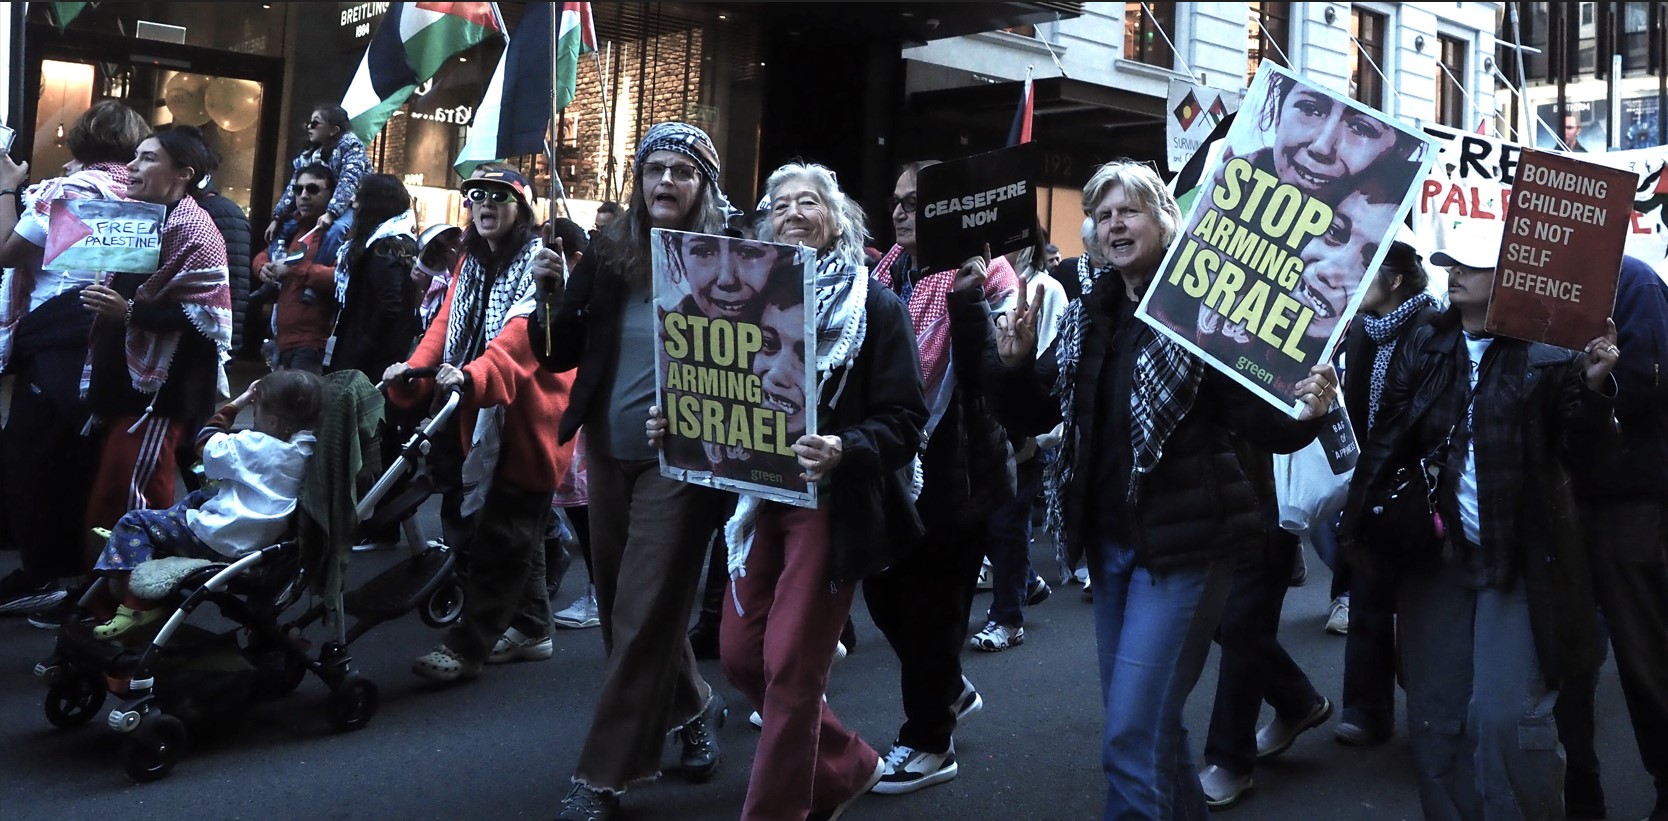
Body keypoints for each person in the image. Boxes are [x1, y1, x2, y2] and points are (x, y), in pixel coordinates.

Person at [980, 159, 1335, 819]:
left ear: (1164, 222)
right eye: (1104, 214)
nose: (1115, 224)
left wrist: (1307, 411)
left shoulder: (1203, 313)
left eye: (1129, 211)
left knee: (1129, 736)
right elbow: (1035, 416)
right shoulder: (1091, 314)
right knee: (1151, 726)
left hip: (1185, 551)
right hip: (1111, 547)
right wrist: (1013, 362)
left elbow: (1259, 420)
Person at [674, 160, 925, 821]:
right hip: (758, 505)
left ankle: (776, 809)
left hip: (832, 509)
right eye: (779, 205)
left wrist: (845, 448)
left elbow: (906, 422)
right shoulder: (736, 309)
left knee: (791, 667)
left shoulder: (876, 306)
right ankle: (846, 764)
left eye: (809, 202)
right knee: (739, 653)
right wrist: (675, 421)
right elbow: (712, 393)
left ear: (837, 220)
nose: (792, 213)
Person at [1342, 220, 1618, 819]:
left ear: (1512, 275)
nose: (1453, 272)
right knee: (1436, 719)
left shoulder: (1549, 353)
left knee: (1502, 718)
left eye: (1470, 264)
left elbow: (1589, 460)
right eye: (1450, 263)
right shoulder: (1426, 341)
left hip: (1519, 559)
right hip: (1434, 557)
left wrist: (1594, 389)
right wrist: (1356, 527)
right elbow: (1388, 440)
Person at [526, 123, 733, 821]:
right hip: (608, 454)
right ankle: (697, 706)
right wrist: (550, 297)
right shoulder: (611, 252)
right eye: (654, 171)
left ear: (703, 184)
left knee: (644, 611)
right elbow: (560, 355)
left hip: (686, 462)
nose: (666, 183)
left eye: (682, 171)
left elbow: (760, 368)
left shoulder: (731, 260)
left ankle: (603, 774)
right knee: (626, 610)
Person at [383, 165, 576, 682]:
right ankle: (533, 627)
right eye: (475, 197)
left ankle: (469, 645)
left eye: (497, 197)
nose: (484, 205)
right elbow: (445, 323)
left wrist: (475, 377)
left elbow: (521, 335)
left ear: (521, 207)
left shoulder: (543, 265)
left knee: (502, 539)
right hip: (465, 410)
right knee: (501, 534)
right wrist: (415, 371)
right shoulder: (469, 259)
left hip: (524, 421)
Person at [865, 159, 1019, 796]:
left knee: (932, 610)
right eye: (896, 201)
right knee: (883, 597)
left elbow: (996, 380)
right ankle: (949, 689)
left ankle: (929, 741)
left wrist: (965, 301)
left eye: (914, 203)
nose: (899, 212)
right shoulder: (882, 274)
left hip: (960, 474)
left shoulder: (992, 279)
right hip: (895, 468)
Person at [48, 125, 234, 630]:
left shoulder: (196, 231)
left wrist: (129, 310)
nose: (131, 168)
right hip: (123, 387)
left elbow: (207, 318)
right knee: (109, 493)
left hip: (159, 395)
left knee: (133, 499)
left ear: (182, 174)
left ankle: (138, 606)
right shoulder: (137, 217)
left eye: (147, 159)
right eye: (134, 157)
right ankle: (103, 597)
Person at [0, 99, 148, 616]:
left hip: (55, 332)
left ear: (79, 140)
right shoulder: (138, 191)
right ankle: (75, 574)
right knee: (75, 455)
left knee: (31, 457)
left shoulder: (72, 189)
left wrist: (5, 185)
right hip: (104, 330)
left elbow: (7, 249)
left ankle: (45, 575)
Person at [1556, 255, 1668, 821]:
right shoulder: (1535, 277)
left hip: (1626, 502)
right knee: (1566, 659)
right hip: (1557, 501)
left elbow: (1647, 379)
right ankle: (1579, 786)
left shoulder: (1634, 280)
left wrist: (1590, 379)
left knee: (1642, 654)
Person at [88, 370, 322, 640]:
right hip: (257, 545)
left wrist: (239, 401)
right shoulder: (307, 450)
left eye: (256, 413)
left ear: (271, 421)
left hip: (215, 539)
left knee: (132, 521)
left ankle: (137, 600)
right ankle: (148, 539)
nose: (254, 418)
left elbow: (204, 440)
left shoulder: (254, 446)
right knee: (201, 497)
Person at [1330, 238, 1437, 746]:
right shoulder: (1362, 331)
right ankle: (1365, 711)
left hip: (1413, 485)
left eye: (1367, 270)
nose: (1355, 279)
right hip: (1368, 478)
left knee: (1420, 604)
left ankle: (1433, 711)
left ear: (1395, 280)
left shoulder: (1435, 330)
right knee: (1368, 595)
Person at [973, 239, 1067, 653]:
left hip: (1020, 434)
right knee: (989, 526)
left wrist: (1034, 437)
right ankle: (1026, 583)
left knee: (1008, 525)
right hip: (983, 428)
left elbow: (1049, 366)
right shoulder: (968, 284)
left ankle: (1008, 617)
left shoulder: (1041, 290)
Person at [327, 173, 418, 381]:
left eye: (359, 196)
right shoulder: (388, 244)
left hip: (370, 363)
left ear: (374, 203)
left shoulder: (385, 249)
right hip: (370, 357)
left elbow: (388, 308)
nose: (353, 202)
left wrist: (357, 354)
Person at [253, 164, 343, 374]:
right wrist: (262, 267)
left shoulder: (337, 232)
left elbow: (340, 278)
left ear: (331, 194)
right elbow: (268, 253)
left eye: (312, 189)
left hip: (313, 343)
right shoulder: (292, 227)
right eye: (298, 189)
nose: (303, 196)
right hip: (282, 339)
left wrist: (295, 270)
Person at [266, 103, 368, 247]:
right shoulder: (309, 154)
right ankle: (276, 264)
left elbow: (349, 182)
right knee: (285, 228)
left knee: (337, 230)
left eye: (315, 123)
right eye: (309, 123)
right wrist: (277, 217)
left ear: (333, 130)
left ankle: (324, 266)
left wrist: (331, 213)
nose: (309, 127)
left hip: (353, 204)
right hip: (323, 205)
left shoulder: (352, 146)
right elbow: (294, 185)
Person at [413, 223, 464, 332]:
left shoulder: (473, 274)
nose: (451, 251)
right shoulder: (440, 281)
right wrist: (424, 285)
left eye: (454, 244)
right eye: (443, 250)